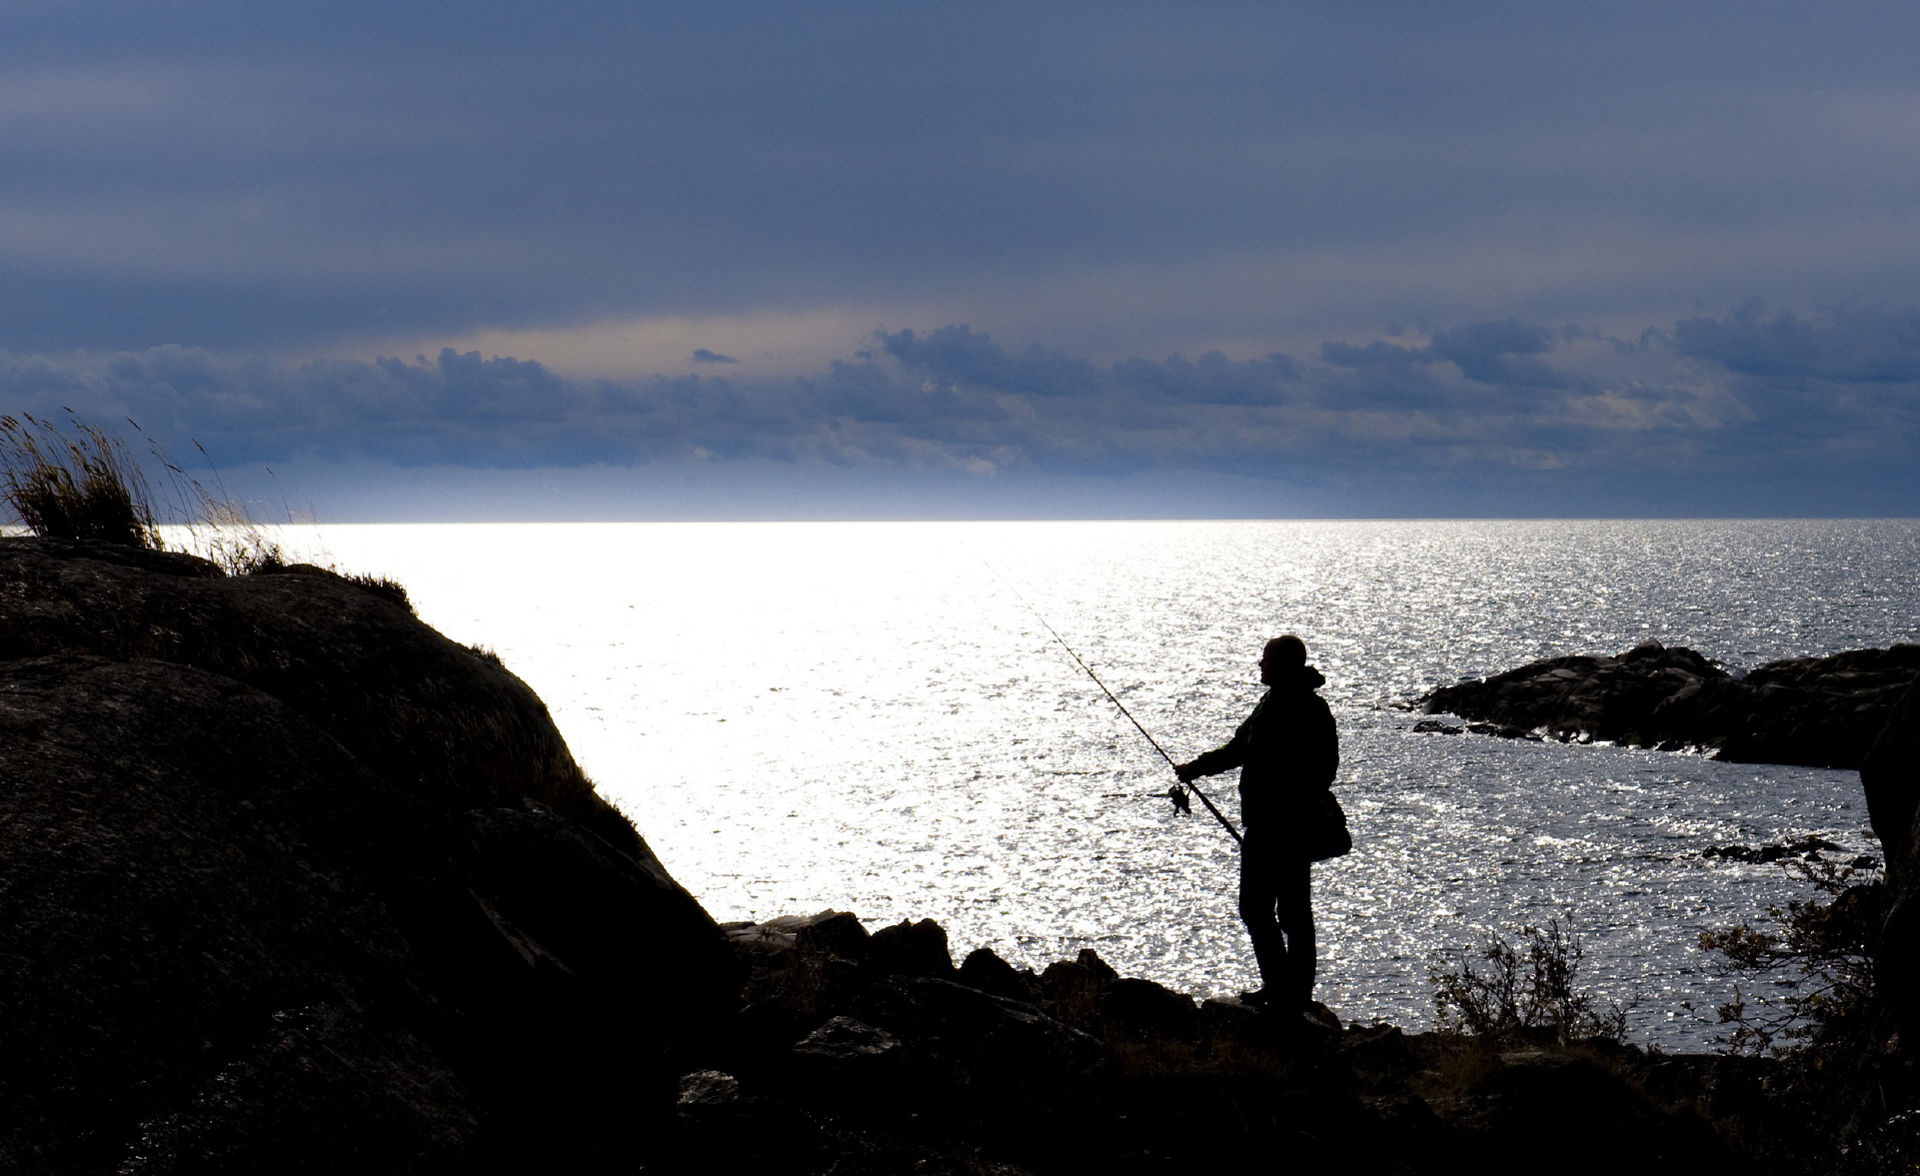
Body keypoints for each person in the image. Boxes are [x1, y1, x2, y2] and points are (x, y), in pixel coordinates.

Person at [1175, 634, 1338, 1011]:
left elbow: (1325, 767)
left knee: (1282, 912)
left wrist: (1293, 798)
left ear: (1283, 665)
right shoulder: (1269, 704)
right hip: (1264, 825)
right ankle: (1284, 988)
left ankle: (1290, 993)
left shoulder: (1309, 709)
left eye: (1266, 659)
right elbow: (1237, 750)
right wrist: (1196, 769)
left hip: (1286, 827)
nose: (1260, 665)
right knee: (1271, 910)